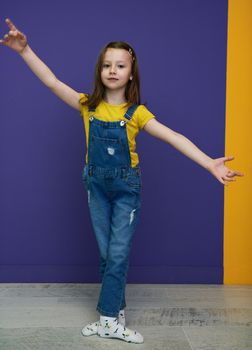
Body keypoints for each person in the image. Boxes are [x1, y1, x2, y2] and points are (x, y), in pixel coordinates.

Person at [0, 18, 244, 344]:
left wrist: (208, 163)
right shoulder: (88, 106)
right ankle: (115, 311)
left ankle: (108, 321)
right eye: (106, 65)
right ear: (100, 71)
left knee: (117, 255)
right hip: (96, 188)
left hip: (127, 190)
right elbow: (52, 82)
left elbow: (173, 137)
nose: (112, 70)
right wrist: (25, 50)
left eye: (120, 65)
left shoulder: (137, 114)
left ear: (131, 72)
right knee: (106, 255)